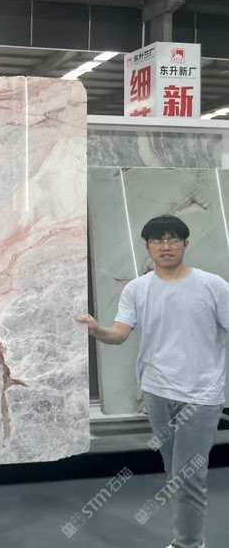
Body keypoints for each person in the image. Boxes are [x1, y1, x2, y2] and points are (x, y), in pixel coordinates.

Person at [78, 214, 229, 548]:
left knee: (188, 476)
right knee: (175, 474)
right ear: (147, 247)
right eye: (157, 240)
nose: (165, 246)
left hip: (201, 396)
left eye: (173, 239)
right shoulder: (137, 289)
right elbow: (119, 334)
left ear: (185, 244)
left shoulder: (213, 286)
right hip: (157, 392)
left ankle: (189, 543)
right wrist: (97, 329)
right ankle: (188, 538)